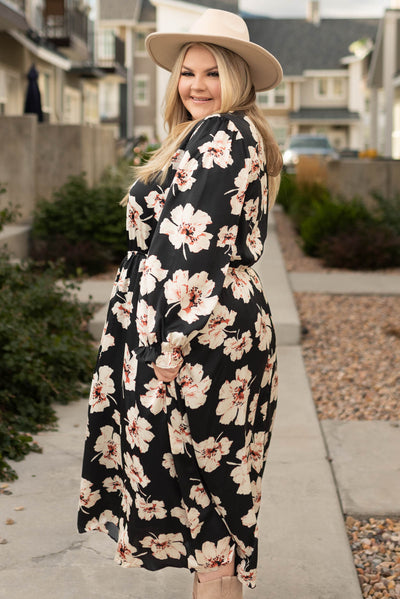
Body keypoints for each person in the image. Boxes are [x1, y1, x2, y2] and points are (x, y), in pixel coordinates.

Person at [78, 8, 282, 599]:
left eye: (212, 73)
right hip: (193, 329)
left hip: (197, 334)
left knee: (204, 486)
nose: (196, 84)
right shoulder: (199, 135)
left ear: (238, 78)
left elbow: (198, 247)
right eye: (187, 72)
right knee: (207, 496)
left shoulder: (226, 133)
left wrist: (168, 344)